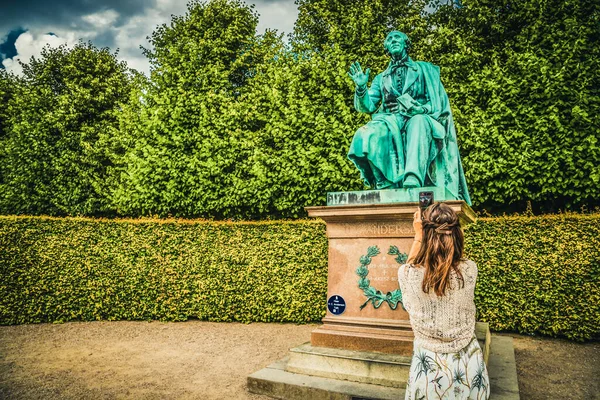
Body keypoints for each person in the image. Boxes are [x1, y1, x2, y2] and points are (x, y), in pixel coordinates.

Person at [347, 31, 471, 206]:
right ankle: (383, 182)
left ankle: (413, 177)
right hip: (391, 120)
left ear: (406, 44)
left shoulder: (424, 70)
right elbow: (368, 106)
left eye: (398, 38)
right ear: (387, 48)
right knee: (364, 133)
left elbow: (436, 103)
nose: (393, 40)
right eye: (389, 39)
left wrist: (420, 109)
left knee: (417, 122)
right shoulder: (381, 78)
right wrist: (361, 89)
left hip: (422, 117)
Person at [398, 203, 489, 399]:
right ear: (457, 234)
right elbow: (448, 266)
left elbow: (412, 265)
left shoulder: (409, 275)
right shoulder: (470, 270)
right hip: (469, 369)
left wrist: (418, 236)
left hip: (429, 375)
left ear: (425, 232)